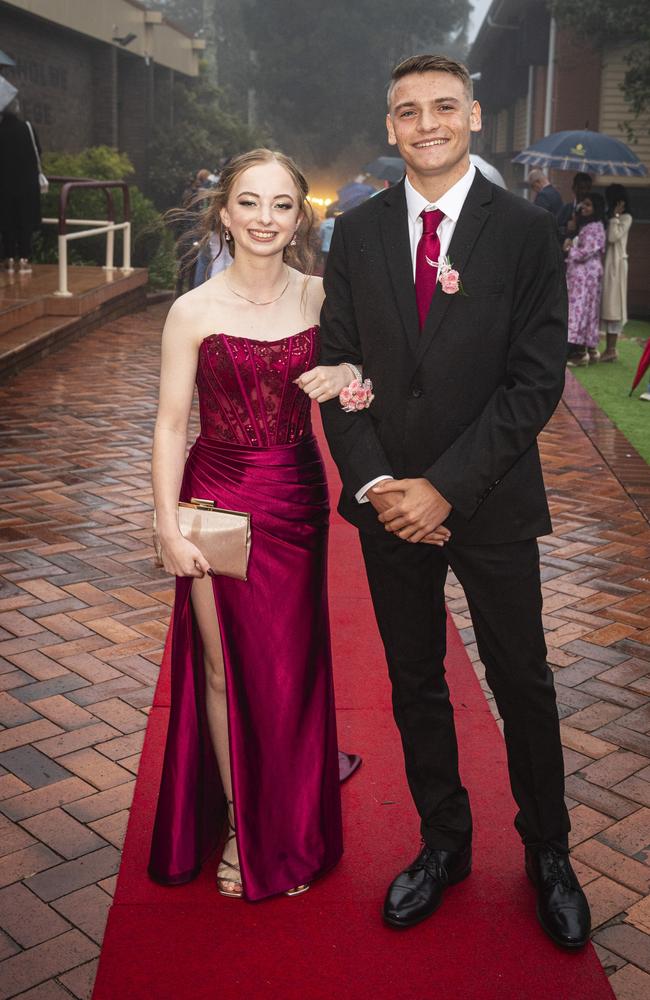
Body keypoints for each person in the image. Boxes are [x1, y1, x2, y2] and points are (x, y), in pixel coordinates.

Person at [320, 54, 591, 948]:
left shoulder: (522, 230)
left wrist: (446, 488)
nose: (426, 122)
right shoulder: (355, 235)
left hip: (491, 499)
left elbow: (534, 379)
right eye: (408, 110)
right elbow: (341, 367)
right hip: (387, 500)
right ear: (390, 126)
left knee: (523, 679)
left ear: (475, 116)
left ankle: (548, 852)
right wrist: (375, 486)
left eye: (444, 106)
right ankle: (444, 844)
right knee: (415, 681)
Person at [148, 149, 358, 901]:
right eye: (249, 202)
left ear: (301, 215)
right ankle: (242, 823)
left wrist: (348, 377)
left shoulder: (326, 298)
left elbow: (367, 377)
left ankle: (294, 825)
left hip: (296, 500)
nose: (264, 218)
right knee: (219, 666)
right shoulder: (193, 310)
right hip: (215, 501)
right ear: (224, 213)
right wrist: (167, 524)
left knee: (290, 673)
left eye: (280, 204)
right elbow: (172, 426)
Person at [564, 193, 607, 366]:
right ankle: (590, 351)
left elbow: (585, 252)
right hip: (586, 276)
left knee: (580, 311)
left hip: (585, 276)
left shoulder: (595, 227)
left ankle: (581, 354)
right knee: (587, 311)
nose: (585, 208)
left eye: (589, 205)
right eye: (584, 204)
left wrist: (569, 249)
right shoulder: (590, 225)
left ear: (596, 207)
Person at [0, 101, 42, 274]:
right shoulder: (28, 128)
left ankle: (8, 259)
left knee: (6, 220)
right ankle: (24, 259)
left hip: (3, 185)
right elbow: (37, 152)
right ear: (16, 109)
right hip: (26, 184)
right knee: (25, 220)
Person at [599, 184, 632, 363]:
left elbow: (613, 237)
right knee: (608, 305)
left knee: (614, 306)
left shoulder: (626, 218)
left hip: (617, 266)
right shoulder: (611, 217)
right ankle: (609, 349)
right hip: (609, 264)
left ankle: (611, 349)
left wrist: (615, 217)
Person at [557, 172, 593, 242]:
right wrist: (566, 229)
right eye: (581, 188)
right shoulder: (566, 209)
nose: (584, 192)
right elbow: (555, 230)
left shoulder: (595, 210)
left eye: (588, 188)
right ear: (574, 188)